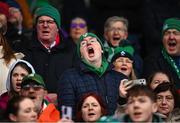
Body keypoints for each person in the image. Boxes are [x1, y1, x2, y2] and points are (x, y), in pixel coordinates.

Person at [58, 32, 127, 119]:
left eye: (93, 41)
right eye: (83, 43)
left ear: (102, 49)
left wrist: (123, 99)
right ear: (81, 55)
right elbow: (67, 117)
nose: (88, 43)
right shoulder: (69, 77)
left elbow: (129, 113)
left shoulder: (120, 78)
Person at [23, 5, 74, 93]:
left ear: (58, 27)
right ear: (36, 26)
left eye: (50, 22)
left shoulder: (71, 50)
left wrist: (60, 98)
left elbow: (76, 83)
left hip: (62, 104)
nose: (45, 25)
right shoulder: (24, 50)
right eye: (41, 22)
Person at [143, 18, 180, 91]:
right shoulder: (152, 62)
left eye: (175, 33)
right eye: (167, 33)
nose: (171, 37)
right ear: (162, 39)